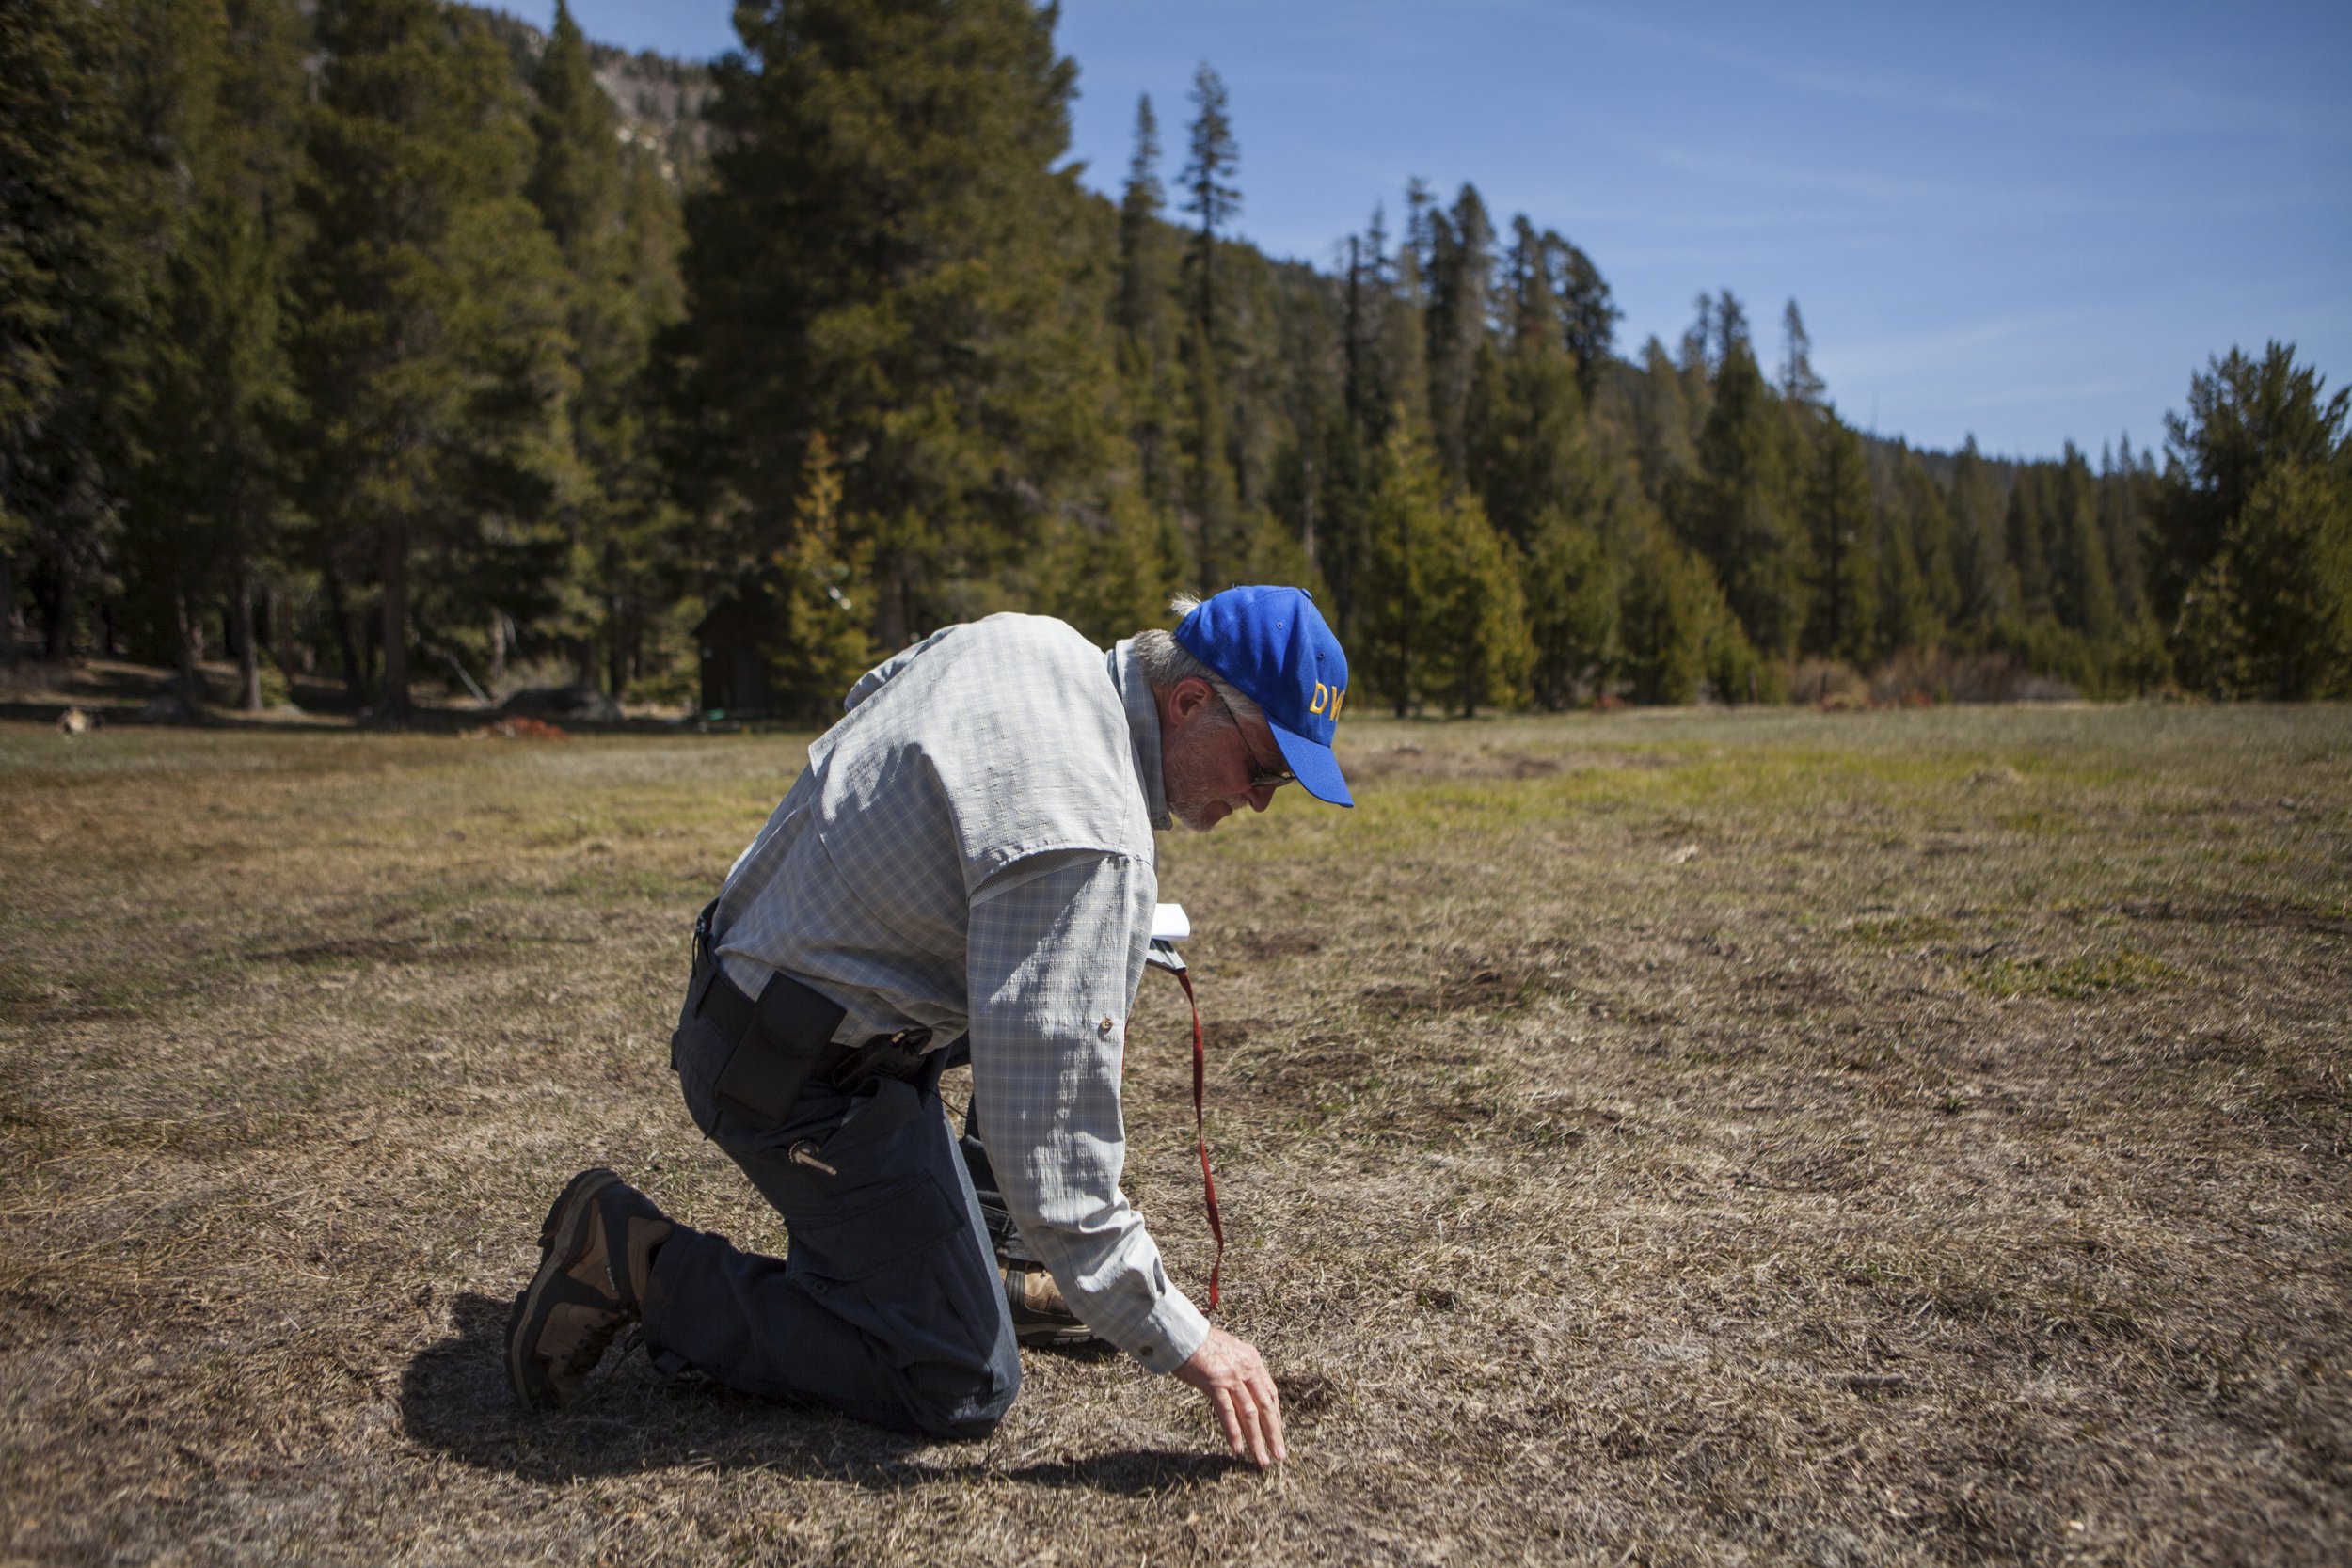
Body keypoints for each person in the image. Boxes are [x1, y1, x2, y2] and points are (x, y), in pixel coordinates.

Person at [503, 585, 1352, 1469]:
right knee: (959, 1374)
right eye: (1266, 769)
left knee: (1064, 980)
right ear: (1187, 702)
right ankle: (637, 1263)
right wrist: (1184, 1335)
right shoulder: (1091, 836)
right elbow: (1060, 1167)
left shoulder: (1032, 642)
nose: (1259, 800)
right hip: (789, 1074)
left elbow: (871, 694)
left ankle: (978, 1250)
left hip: (749, 974)